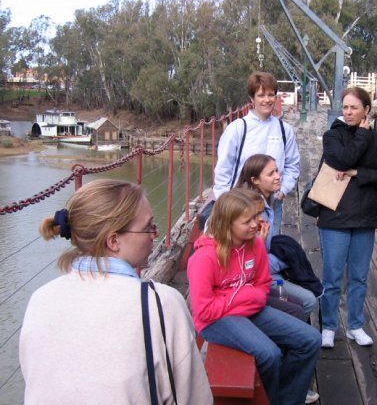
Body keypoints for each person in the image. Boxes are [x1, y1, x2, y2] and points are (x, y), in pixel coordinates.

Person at [19, 179, 212, 405]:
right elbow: (196, 399)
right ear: (113, 241)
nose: (155, 233)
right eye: (149, 227)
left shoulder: (40, 300)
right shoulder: (161, 304)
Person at [188, 189, 321, 405]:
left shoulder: (255, 244)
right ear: (227, 224)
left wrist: (241, 297)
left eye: (255, 217)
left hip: (248, 310)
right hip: (215, 321)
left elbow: (262, 284)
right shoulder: (204, 258)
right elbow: (204, 311)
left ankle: (285, 398)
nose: (255, 224)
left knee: (311, 340)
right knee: (269, 354)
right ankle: (271, 398)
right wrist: (245, 295)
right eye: (247, 220)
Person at [317, 87, 377, 349]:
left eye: (354, 108)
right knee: (332, 276)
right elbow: (341, 160)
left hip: (363, 217)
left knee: (359, 276)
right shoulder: (333, 136)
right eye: (345, 107)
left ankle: (355, 326)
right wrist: (361, 134)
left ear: (366, 111)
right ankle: (328, 326)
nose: (348, 112)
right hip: (334, 216)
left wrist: (358, 173)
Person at [213, 71, 300, 234]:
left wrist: (282, 192)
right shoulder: (238, 129)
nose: (267, 100)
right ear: (252, 98)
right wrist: (225, 204)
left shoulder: (284, 130)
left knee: (266, 252)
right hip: (239, 209)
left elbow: (292, 165)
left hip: (271, 206)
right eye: (261, 95)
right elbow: (223, 169)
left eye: (271, 95)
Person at [235, 153, 318, 319]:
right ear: (255, 180)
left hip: (261, 271)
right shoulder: (255, 212)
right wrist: (285, 260)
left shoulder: (264, 202)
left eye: (277, 171)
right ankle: (288, 336)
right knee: (308, 300)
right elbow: (249, 262)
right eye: (270, 174)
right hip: (253, 278)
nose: (278, 177)